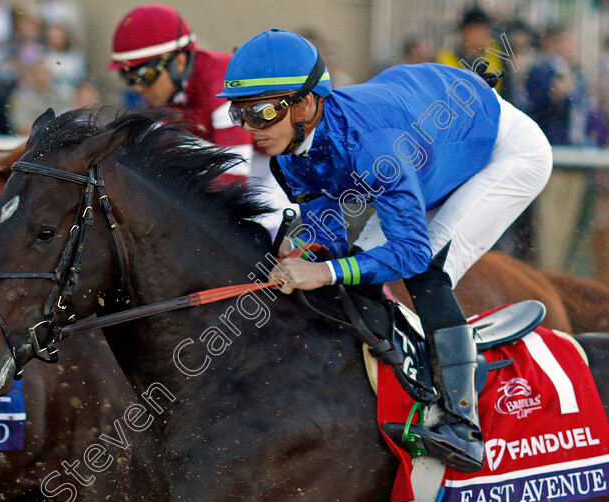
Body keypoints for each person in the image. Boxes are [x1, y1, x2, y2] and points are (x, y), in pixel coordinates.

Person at [219, 29, 552, 472]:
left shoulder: (375, 145)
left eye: (261, 112)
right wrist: (303, 253)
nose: (251, 130)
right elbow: (329, 235)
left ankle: (463, 423)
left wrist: (325, 273)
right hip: (428, 149)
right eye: (240, 114)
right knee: (351, 264)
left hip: (504, 152)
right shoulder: (290, 149)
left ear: (305, 103)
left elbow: (410, 254)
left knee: (427, 269)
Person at [108, 4, 253, 182]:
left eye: (144, 75)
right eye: (128, 77)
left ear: (179, 62)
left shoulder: (221, 82)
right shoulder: (164, 98)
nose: (138, 87)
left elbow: (234, 180)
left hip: (271, 166)